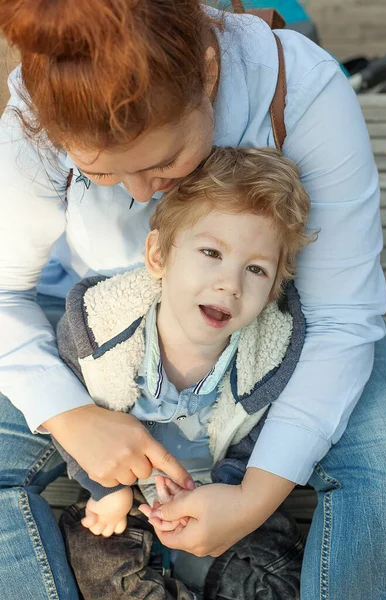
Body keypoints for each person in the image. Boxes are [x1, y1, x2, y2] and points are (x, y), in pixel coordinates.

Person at [0, 2, 386, 599]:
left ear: (208, 74)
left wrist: (255, 496)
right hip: (94, 338)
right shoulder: (43, 106)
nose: (140, 193)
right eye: (102, 174)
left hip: (273, 336)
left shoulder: (303, 88)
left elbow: (344, 319)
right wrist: (71, 415)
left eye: (163, 161)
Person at [53, 146, 310, 596]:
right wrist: (101, 485)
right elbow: (69, 415)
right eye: (211, 252)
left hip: (217, 498)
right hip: (125, 500)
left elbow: (258, 447)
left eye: (255, 269)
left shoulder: (266, 362)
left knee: (280, 570)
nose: (230, 283)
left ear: (273, 291)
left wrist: (227, 494)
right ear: (158, 255)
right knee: (92, 552)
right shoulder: (98, 331)